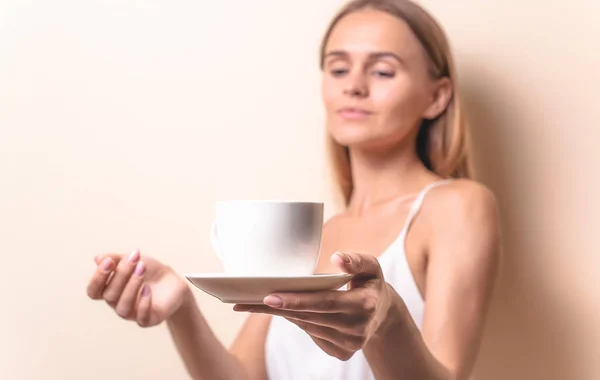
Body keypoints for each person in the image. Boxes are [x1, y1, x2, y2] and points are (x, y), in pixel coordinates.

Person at [86, 0, 502, 379]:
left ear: (437, 96)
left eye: (382, 71)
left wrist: (387, 318)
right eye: (338, 68)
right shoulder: (313, 234)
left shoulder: (456, 206)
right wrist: (181, 310)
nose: (353, 85)